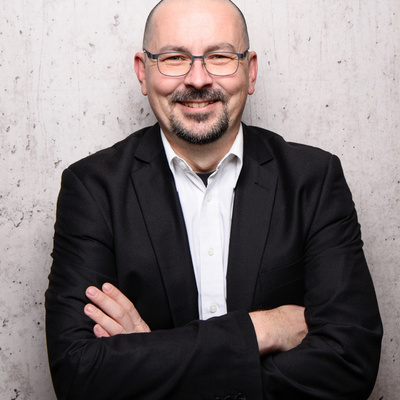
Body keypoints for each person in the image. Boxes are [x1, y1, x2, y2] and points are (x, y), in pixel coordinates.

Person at [45, 0, 383, 399]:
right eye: (174, 58)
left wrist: (153, 357)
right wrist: (263, 330)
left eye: (220, 57)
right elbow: (78, 373)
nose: (198, 79)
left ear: (250, 70)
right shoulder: (91, 189)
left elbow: (351, 363)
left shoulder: (314, 180)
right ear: (142, 71)